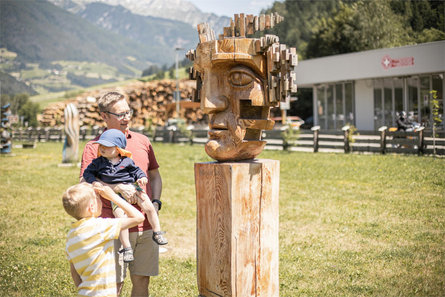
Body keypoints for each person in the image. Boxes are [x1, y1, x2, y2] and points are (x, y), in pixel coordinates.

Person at [80, 91, 163, 297]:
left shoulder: (143, 141)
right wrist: (118, 188)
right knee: (113, 286)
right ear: (104, 116)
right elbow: (85, 182)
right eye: (120, 114)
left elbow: (154, 175)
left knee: (142, 281)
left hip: (145, 226)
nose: (127, 117)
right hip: (112, 226)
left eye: (128, 112)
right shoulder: (94, 148)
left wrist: (156, 203)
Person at [83, 128, 168, 263]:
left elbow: (137, 171)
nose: (102, 148)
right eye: (101, 146)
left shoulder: (127, 161)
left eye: (107, 146)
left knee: (149, 206)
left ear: (118, 149)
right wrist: (94, 181)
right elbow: (87, 174)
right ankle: (127, 248)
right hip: (115, 195)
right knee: (120, 218)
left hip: (133, 188)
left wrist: (141, 178)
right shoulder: (97, 163)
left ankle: (157, 232)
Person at [63, 182, 145, 297]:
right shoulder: (100, 227)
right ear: (92, 207)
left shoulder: (71, 235)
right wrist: (113, 196)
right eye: (99, 198)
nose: (102, 199)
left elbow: (74, 272)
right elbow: (138, 217)